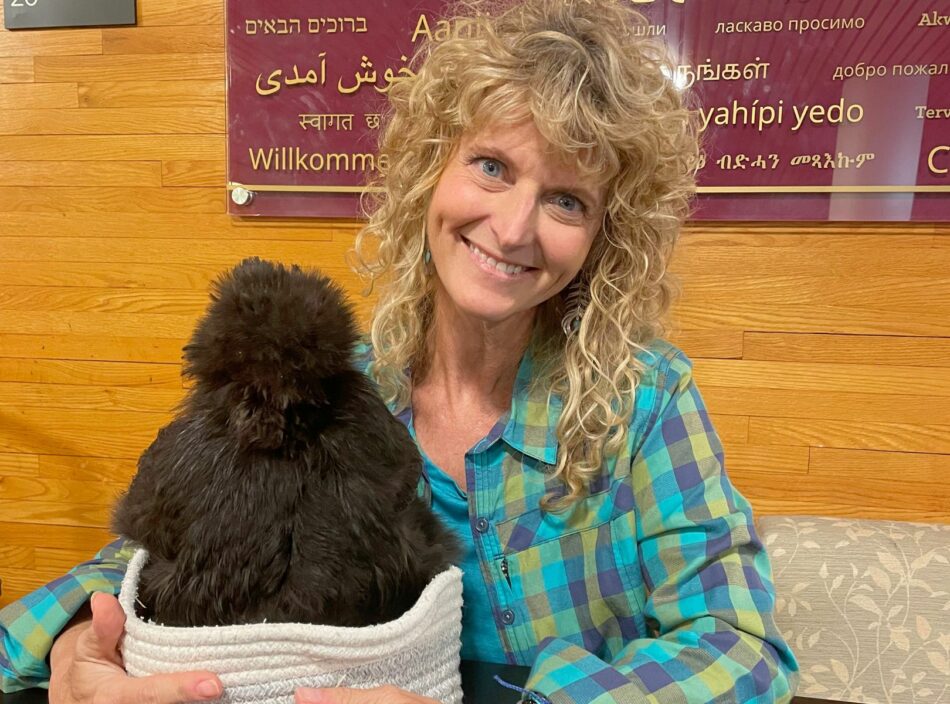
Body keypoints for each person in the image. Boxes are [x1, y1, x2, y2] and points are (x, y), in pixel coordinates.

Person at [0, 0, 799, 702]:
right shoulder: (324, 383)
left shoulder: (647, 402)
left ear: (601, 238)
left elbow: (740, 648)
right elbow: (144, 553)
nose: (515, 228)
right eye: (492, 166)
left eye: (565, 199)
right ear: (428, 171)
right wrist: (77, 648)